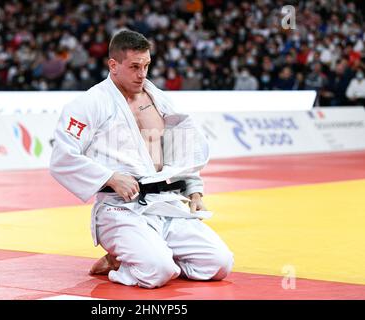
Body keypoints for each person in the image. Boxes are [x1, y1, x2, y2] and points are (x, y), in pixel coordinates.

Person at [50, 30, 234, 289]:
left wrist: (194, 190)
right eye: (134, 67)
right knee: (158, 271)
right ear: (113, 65)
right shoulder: (90, 103)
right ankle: (123, 262)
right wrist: (110, 177)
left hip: (166, 203)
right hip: (120, 209)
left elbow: (180, 149)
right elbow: (62, 157)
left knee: (219, 264)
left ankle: (139, 255)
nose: (142, 74)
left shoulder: (158, 98)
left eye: (146, 65)